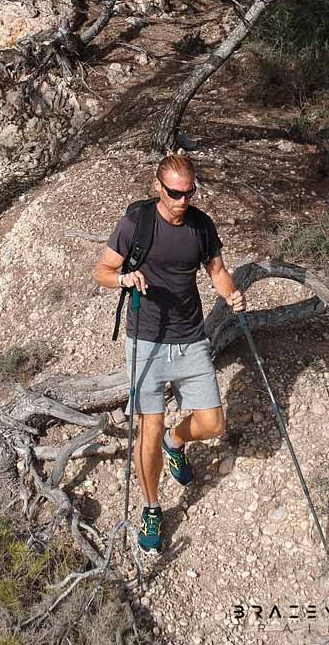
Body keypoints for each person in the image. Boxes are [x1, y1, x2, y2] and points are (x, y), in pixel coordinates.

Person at [93, 153, 246, 554]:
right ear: (158, 187)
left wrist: (231, 293)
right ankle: (152, 507)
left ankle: (176, 443)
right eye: (175, 193)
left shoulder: (201, 225)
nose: (182, 200)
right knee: (149, 429)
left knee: (213, 425)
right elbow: (102, 271)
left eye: (189, 192)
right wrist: (124, 277)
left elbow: (216, 270)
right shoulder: (136, 223)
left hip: (191, 337)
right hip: (145, 340)